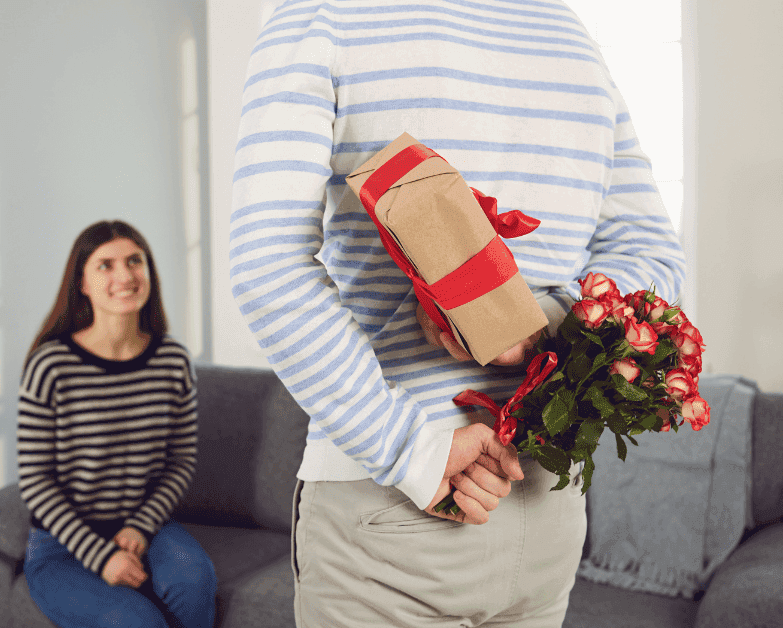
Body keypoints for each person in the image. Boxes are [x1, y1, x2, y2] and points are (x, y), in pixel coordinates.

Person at [228, 2, 685, 627]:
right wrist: (547, 327)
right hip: (546, 500)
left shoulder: (323, 16)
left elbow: (265, 267)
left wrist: (411, 448)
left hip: (399, 504)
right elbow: (654, 259)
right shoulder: (565, 29)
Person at [17, 220, 216, 628]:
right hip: (62, 546)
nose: (124, 276)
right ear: (82, 284)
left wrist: (141, 527)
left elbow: (180, 462)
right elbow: (35, 480)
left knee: (195, 581)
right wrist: (101, 555)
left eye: (134, 261)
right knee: (136, 621)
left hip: (148, 528)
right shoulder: (50, 365)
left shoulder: (172, 360)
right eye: (105, 265)